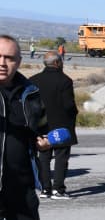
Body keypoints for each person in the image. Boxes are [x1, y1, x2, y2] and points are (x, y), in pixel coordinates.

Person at [0, 34, 50, 220]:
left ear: (19, 60)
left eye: (9, 58)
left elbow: (40, 128)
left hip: (20, 181)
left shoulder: (29, 91)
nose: (3, 63)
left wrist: (42, 141)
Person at [30, 51, 78, 199]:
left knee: (43, 157)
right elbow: (69, 105)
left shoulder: (33, 80)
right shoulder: (65, 80)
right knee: (61, 157)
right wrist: (74, 114)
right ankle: (59, 189)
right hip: (62, 125)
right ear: (57, 63)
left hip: (41, 125)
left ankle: (45, 189)